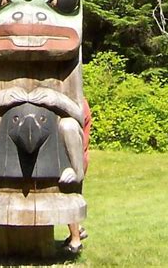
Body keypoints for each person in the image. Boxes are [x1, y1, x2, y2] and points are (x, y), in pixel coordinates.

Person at [64, 97, 92, 254]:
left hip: (76, 158)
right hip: (77, 157)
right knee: (68, 194)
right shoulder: (79, 101)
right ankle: (78, 230)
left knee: (69, 195)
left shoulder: (79, 103)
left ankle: (76, 241)